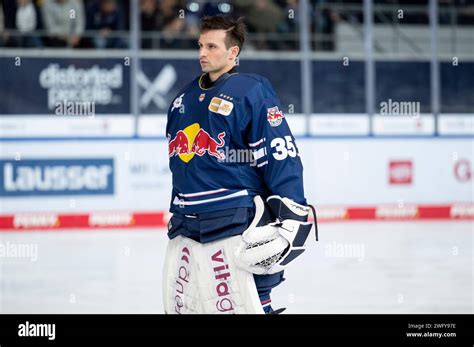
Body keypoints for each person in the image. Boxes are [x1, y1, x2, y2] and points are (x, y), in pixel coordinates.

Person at [163, 15, 317, 314]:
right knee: (191, 305)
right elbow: (180, 163)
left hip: (236, 217)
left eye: (211, 46)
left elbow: (278, 152)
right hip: (188, 220)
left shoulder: (251, 90)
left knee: (250, 300)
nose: (202, 53)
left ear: (233, 52)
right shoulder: (182, 98)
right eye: (200, 45)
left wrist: (293, 210)